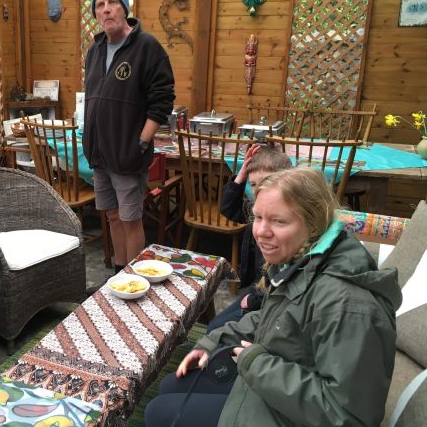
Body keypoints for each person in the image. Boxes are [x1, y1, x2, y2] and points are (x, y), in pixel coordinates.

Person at [145, 167, 400, 426]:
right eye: (258, 217)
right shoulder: (302, 260)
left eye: (279, 221)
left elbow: (349, 416)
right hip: (277, 387)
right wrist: (213, 342)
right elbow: (274, 320)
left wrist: (258, 364)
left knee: (158, 412)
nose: (261, 232)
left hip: (290, 412)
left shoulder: (348, 306)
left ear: (313, 223)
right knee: (172, 384)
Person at [82, 0, 175, 274]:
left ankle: (135, 279)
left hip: (128, 152)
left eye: (112, 2)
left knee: (131, 218)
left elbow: (163, 100)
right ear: (96, 14)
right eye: (100, 5)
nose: (106, 9)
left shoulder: (146, 47)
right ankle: (119, 275)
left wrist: (142, 142)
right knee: (112, 215)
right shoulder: (95, 51)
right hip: (99, 153)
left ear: (124, 9)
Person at [208, 144, 292, 331]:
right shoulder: (254, 210)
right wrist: (241, 175)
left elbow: (282, 273)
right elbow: (227, 208)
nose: (258, 191)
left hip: (270, 297)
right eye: (253, 185)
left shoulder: (287, 223)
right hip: (256, 287)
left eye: (265, 183)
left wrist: (254, 299)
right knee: (214, 326)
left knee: (217, 329)